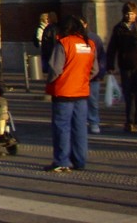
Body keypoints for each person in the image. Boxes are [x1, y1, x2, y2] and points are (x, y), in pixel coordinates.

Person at [47, 15, 97, 172]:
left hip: (63, 91)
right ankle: (80, 160)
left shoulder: (64, 43)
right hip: (81, 91)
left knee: (62, 127)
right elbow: (94, 69)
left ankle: (62, 160)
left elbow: (55, 68)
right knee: (80, 128)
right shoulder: (89, 44)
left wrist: (50, 82)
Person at [106, 0, 137, 133]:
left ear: (136, 13)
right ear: (124, 14)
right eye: (127, 14)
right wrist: (110, 64)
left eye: (132, 14)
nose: (130, 16)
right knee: (129, 95)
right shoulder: (118, 28)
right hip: (125, 65)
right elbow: (112, 48)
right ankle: (130, 121)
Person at [80, 16, 106, 134]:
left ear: (86, 24)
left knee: (93, 100)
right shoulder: (72, 38)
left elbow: (101, 55)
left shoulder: (94, 38)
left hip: (92, 76)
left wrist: (101, 71)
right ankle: (81, 122)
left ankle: (94, 122)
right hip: (78, 76)